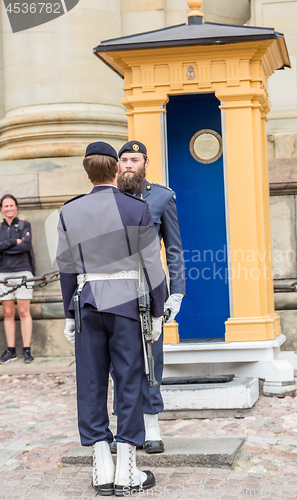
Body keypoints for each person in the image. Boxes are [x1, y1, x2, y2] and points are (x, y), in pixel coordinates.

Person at [56, 141, 165, 496]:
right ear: (116, 169)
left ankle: (102, 469)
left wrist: (69, 312)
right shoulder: (134, 207)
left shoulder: (70, 211)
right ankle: (126, 472)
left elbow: (66, 267)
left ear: (88, 172)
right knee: (129, 382)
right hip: (126, 306)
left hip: (86, 304)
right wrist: (159, 308)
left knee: (90, 383)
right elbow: (152, 264)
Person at [111, 140, 185, 454]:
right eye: (124, 160)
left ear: (145, 163)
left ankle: (152, 424)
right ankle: (125, 427)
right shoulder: (106, 199)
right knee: (118, 361)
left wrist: (177, 293)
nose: (129, 165)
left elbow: (174, 250)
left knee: (151, 359)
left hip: (150, 290)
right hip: (113, 291)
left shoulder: (162, 197)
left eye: (135, 160)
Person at [0, 194, 34, 364]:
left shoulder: (24, 225)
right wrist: (14, 241)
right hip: (3, 274)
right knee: (8, 312)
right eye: (5, 206)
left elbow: (25, 246)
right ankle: (11, 350)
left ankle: (27, 349)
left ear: (16, 207)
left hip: (22, 271)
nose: (9, 209)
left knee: (23, 311)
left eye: (11, 205)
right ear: (1, 209)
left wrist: (5, 247)